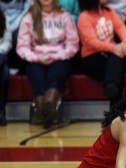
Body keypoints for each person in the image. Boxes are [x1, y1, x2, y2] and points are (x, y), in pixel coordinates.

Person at [16, 0, 80, 128]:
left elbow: (73, 45)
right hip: (35, 59)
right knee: (36, 74)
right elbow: (22, 47)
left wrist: (56, 56)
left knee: (58, 71)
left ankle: (44, 109)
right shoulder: (29, 17)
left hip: (59, 58)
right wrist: (36, 58)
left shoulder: (64, 16)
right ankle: (48, 112)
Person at [77, 0, 126, 109]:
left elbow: (120, 27)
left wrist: (125, 42)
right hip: (91, 57)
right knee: (117, 63)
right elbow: (91, 41)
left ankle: (111, 86)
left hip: (110, 55)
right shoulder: (84, 17)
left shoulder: (109, 10)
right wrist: (114, 47)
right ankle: (116, 111)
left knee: (116, 60)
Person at [0, 0, 33, 74]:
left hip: (20, 17)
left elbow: (29, 5)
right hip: (2, 19)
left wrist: (23, 19)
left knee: (19, 37)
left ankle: (19, 69)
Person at [0, 10, 12, 126]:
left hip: (0, 55)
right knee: (4, 73)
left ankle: (0, 111)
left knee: (4, 74)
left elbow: (7, 42)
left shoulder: (3, 17)